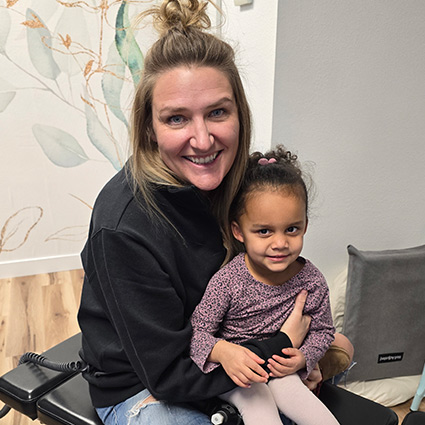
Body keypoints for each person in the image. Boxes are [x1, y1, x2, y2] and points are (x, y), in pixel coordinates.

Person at [77, 1, 348, 424]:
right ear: (149, 126)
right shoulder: (122, 228)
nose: (202, 140)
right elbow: (167, 372)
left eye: (218, 112)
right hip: (148, 383)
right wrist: (277, 346)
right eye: (177, 118)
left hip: (231, 344)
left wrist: (307, 353)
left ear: (240, 113)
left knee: (343, 346)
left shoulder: (239, 183)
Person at [190, 146, 341, 425]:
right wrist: (224, 353)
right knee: (262, 413)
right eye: (264, 231)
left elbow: (323, 329)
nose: (280, 243)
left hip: (282, 369)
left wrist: (304, 358)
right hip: (240, 374)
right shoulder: (228, 281)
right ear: (239, 231)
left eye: (291, 229)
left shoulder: (312, 280)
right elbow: (197, 333)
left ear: (305, 225)